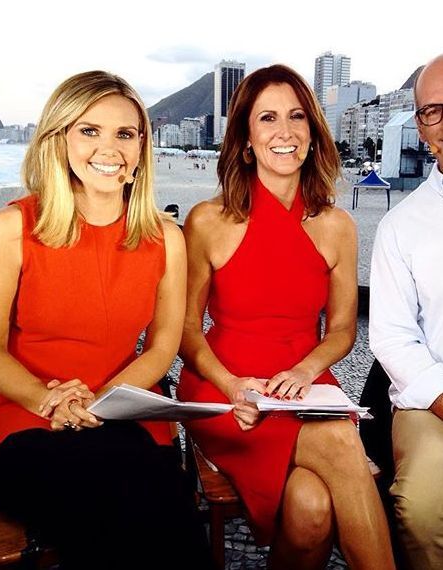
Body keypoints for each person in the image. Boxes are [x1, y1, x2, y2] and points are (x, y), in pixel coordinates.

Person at [0, 71, 211, 570]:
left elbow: (162, 346)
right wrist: (48, 399)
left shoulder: (166, 238)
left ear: (141, 147)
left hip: (119, 408)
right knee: (108, 502)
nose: (109, 148)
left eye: (125, 133)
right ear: (60, 138)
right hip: (18, 414)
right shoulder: (10, 228)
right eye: (89, 130)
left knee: (162, 507)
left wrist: (102, 400)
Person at [178, 64, 395, 570]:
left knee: (312, 509)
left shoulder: (338, 226)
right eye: (268, 118)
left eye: (297, 117)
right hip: (227, 389)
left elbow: (341, 330)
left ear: (313, 134)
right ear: (245, 139)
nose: (285, 131)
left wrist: (304, 370)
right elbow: (185, 332)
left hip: (304, 383)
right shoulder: (208, 221)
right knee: (340, 438)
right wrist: (232, 386)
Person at [370, 54, 443, 570]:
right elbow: (393, 336)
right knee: (422, 505)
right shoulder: (401, 225)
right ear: (420, 127)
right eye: (434, 110)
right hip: (431, 399)